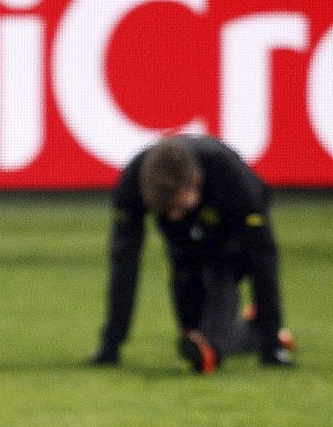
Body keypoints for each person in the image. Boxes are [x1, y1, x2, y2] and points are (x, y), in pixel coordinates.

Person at [89, 136, 296, 375]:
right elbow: (124, 263)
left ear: (195, 181)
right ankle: (252, 329)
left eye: (177, 206)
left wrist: (272, 349)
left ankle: (268, 333)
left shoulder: (232, 178)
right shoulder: (133, 183)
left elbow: (263, 259)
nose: (174, 216)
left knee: (212, 327)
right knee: (194, 340)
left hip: (231, 242)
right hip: (184, 253)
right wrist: (110, 345)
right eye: (164, 211)